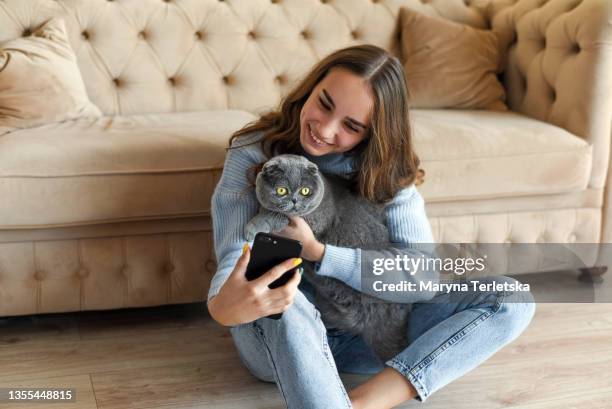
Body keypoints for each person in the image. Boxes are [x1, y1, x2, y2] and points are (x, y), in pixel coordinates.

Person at [206, 45, 536, 409]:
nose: (325, 130)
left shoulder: (387, 174)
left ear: (372, 134)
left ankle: (363, 402)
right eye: (324, 104)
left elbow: (422, 276)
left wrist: (322, 254)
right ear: (310, 89)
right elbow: (235, 255)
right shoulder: (255, 152)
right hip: (283, 338)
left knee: (512, 298)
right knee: (286, 294)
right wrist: (224, 305)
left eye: (351, 126)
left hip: (375, 335)